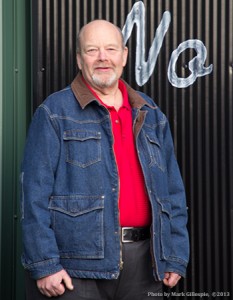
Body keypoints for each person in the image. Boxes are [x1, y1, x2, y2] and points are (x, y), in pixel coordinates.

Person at [20, 20, 189, 300]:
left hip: (146, 264)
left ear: (123, 55)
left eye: (111, 49)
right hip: (75, 268)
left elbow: (172, 191)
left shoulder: (151, 114)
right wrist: (44, 265)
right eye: (92, 50)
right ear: (79, 59)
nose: (102, 57)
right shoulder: (54, 113)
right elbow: (33, 194)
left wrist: (175, 255)